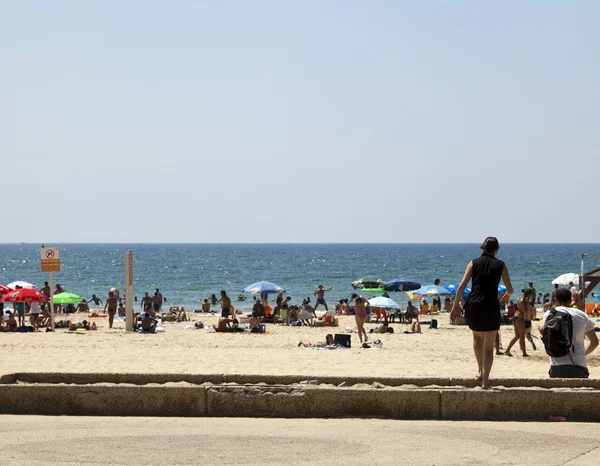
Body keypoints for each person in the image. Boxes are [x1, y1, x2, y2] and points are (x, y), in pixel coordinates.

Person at [451, 237, 514, 390]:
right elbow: (510, 289)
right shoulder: (501, 265)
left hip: (474, 305)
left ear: (482, 248)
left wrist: (455, 307)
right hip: (491, 305)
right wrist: (507, 297)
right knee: (488, 346)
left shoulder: (473, 263)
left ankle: (479, 371)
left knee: (477, 338)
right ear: (496, 249)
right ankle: (485, 381)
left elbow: (461, 286)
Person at [539, 288, 599, 378]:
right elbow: (594, 342)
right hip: (579, 364)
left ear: (556, 300)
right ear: (570, 300)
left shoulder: (551, 313)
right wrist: (583, 353)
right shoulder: (582, 315)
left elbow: (541, 329)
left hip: (557, 364)